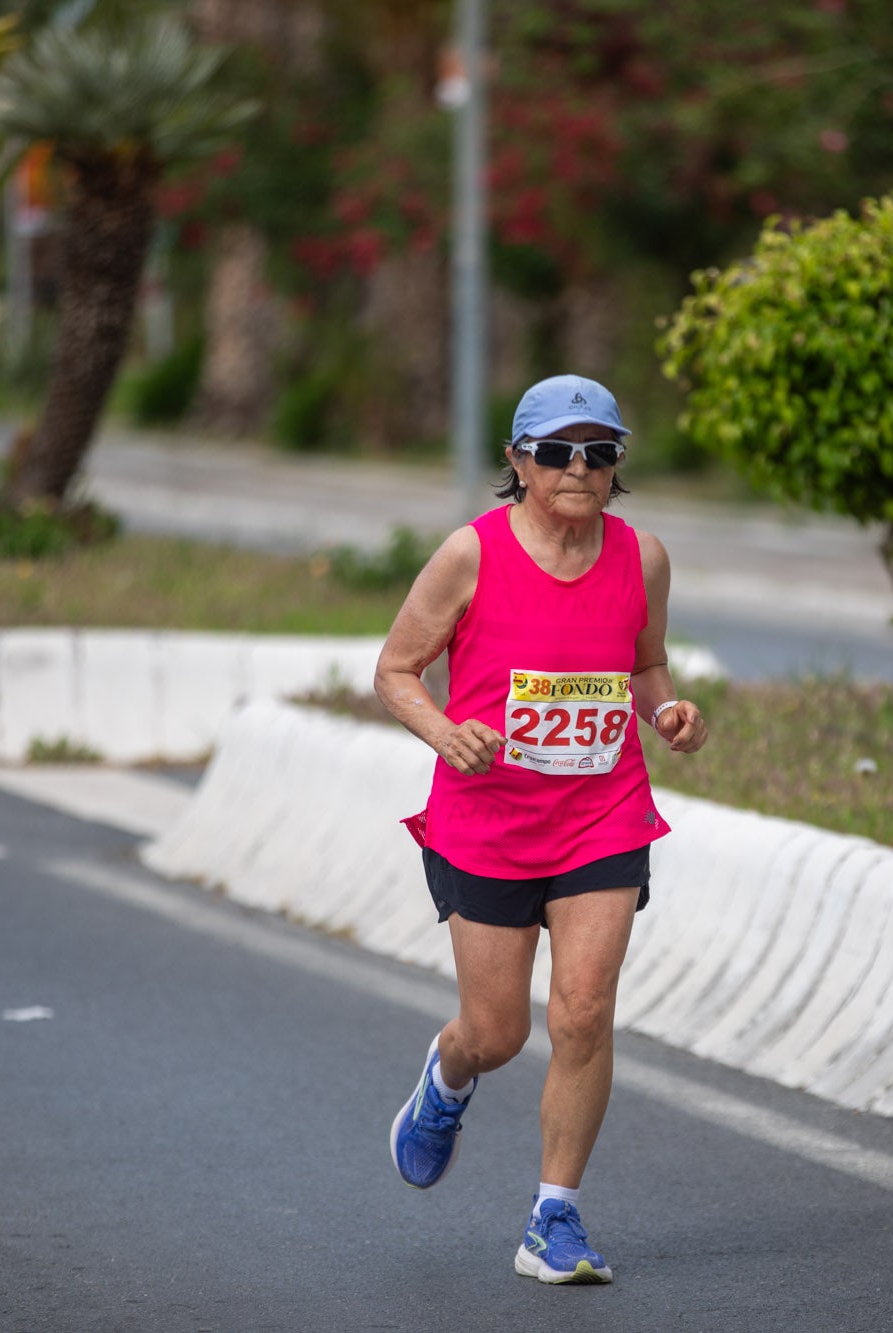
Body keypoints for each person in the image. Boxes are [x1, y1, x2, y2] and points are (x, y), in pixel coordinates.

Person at [374, 373, 708, 1285]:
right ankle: (447, 1077)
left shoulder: (641, 558)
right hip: (486, 821)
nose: (579, 469)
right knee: (498, 1032)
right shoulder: (468, 555)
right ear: (518, 461)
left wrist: (668, 711)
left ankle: (552, 1217)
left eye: (599, 454)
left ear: (616, 468)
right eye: (558, 451)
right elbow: (396, 669)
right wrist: (446, 732)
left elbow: (647, 664)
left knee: (584, 1014)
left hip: (601, 814)